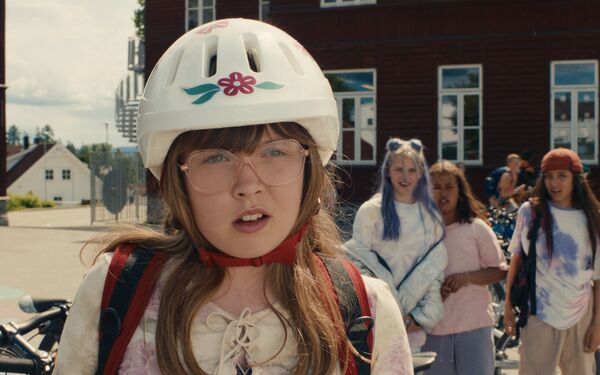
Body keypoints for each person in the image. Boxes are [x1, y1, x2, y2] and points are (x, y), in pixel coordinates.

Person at [53, 19, 412, 374]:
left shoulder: (366, 311)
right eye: (215, 157)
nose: (247, 185)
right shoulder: (115, 291)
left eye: (274, 151)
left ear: (310, 167)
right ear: (179, 182)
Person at [343, 137, 447, 352]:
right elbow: (358, 265)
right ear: (388, 171)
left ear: (420, 173)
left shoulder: (430, 218)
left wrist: (418, 318)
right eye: (399, 169)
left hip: (412, 329)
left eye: (411, 169)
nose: (405, 176)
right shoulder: (371, 211)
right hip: (375, 322)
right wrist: (383, 311)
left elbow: (434, 274)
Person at [504, 148, 600, 374]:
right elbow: (517, 259)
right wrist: (508, 302)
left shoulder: (592, 217)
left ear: (576, 179)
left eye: (562, 176)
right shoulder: (530, 212)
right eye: (548, 176)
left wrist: (597, 324)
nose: (554, 183)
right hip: (539, 313)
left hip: (581, 313)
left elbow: (598, 277)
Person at [423, 161, 507, 375]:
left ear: (460, 191)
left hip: (474, 326)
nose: (443, 193)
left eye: (449, 186)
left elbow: (498, 270)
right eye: (436, 187)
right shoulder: (420, 234)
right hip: (434, 330)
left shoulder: (476, 228)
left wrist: (466, 278)